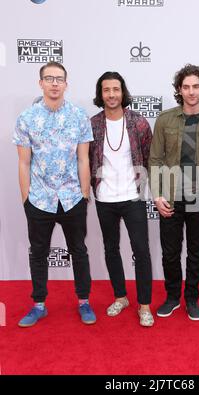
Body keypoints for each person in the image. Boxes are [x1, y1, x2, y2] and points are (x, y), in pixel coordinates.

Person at [14, 61, 96, 327]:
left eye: (59, 78)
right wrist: (26, 198)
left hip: (73, 197)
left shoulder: (79, 116)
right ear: (40, 83)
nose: (54, 83)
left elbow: (84, 159)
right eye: (48, 78)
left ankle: (84, 301)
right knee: (38, 252)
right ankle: (38, 304)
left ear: (66, 84)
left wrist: (84, 194)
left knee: (79, 251)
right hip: (39, 198)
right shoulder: (26, 118)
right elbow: (24, 162)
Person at [149, 64, 199, 320]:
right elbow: (155, 159)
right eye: (186, 87)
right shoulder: (165, 119)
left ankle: (191, 298)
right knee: (170, 252)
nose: (191, 92)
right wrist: (157, 195)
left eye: (196, 86)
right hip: (170, 197)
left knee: (196, 253)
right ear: (179, 90)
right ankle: (172, 297)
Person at [89, 71, 154, 327]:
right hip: (105, 198)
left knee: (141, 251)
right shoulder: (93, 123)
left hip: (132, 197)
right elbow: (86, 158)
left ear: (122, 91)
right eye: (107, 90)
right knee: (111, 249)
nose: (112, 95)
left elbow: (149, 157)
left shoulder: (138, 122)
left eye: (116, 89)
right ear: (101, 93)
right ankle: (121, 297)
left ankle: (145, 305)